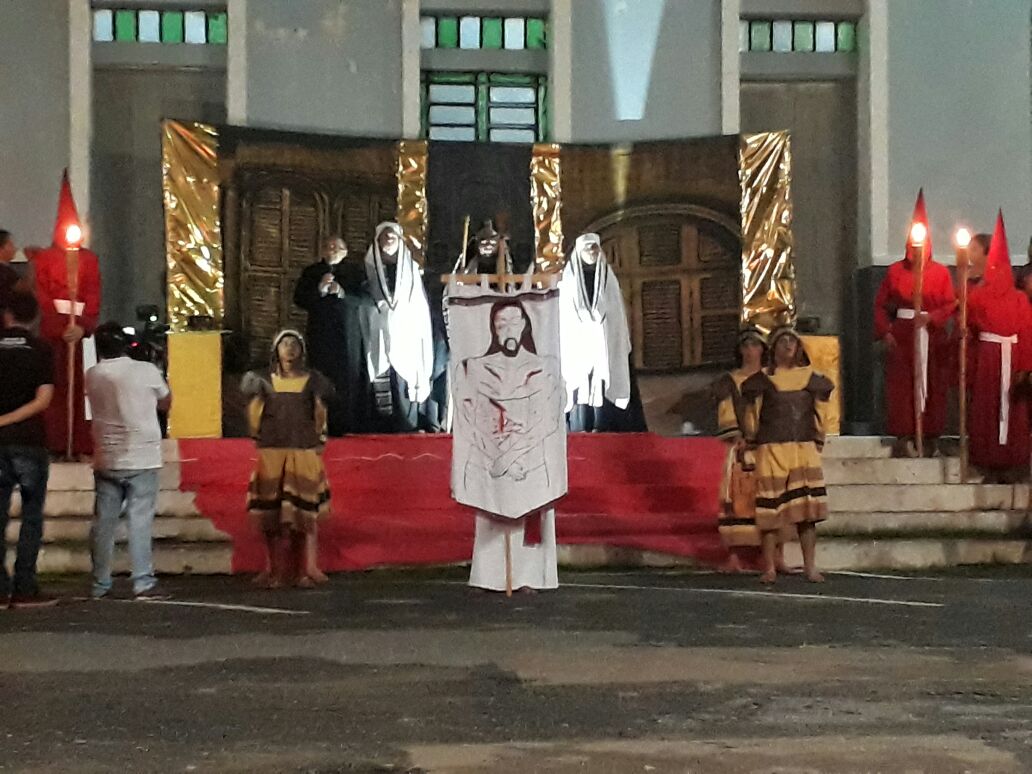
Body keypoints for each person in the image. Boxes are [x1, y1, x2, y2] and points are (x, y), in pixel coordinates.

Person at [461, 301, 562, 592]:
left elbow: (549, 417)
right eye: (501, 324)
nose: (508, 329)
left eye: (514, 322)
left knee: (530, 511)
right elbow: (470, 416)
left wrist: (512, 456)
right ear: (493, 328)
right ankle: (490, 576)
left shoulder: (544, 366)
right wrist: (497, 455)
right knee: (492, 511)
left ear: (526, 325)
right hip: (491, 453)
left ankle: (529, 575)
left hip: (529, 456)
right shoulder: (478, 367)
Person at [86, 322, 172, 599]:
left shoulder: (93, 374)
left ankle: (100, 583)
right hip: (142, 455)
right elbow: (166, 401)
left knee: (104, 523)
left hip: (107, 455)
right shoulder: (146, 370)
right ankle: (143, 581)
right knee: (140, 521)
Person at [742, 327, 833, 585]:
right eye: (783, 340)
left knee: (807, 513)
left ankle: (810, 566)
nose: (788, 345)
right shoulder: (761, 381)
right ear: (773, 349)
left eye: (792, 340)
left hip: (802, 449)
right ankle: (770, 567)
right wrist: (752, 441)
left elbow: (821, 411)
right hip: (771, 449)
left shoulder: (811, 378)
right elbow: (752, 415)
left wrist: (818, 438)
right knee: (770, 513)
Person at [242, 330, 333, 588]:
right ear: (276, 350)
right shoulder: (262, 381)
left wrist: (319, 440)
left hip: (303, 451)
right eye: (285, 344)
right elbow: (254, 413)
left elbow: (320, 412)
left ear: (302, 350)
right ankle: (273, 569)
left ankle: (307, 569)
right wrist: (258, 437)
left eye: (294, 344)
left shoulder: (313, 381)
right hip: (272, 451)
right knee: (271, 515)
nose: (290, 348)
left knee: (304, 515)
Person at [874, 190, 956, 457]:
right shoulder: (896, 271)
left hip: (931, 337)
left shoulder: (940, 273)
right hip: (903, 337)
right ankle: (905, 433)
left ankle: (930, 435)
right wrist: (885, 331)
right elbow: (880, 304)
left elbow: (950, 304)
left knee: (932, 385)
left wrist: (932, 318)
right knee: (902, 387)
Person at [30, 173, 102, 457]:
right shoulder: (45, 259)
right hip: (55, 330)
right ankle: (56, 441)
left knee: (79, 387)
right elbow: (43, 295)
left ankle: (79, 440)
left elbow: (93, 294)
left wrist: (83, 326)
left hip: (78, 330)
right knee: (54, 384)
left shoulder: (89, 259)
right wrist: (59, 325)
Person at [966, 212, 1032, 481]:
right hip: (988, 360)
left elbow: (1026, 331)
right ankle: (987, 461)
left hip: (1010, 358)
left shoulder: (1018, 299)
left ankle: (1012, 462)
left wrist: (1025, 367)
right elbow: (970, 325)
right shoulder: (978, 295)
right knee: (988, 410)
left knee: (1012, 412)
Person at [0, 292, 56, 608]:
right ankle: (25, 585)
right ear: (34, 317)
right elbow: (43, 400)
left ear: (7, 314)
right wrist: (9, 419)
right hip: (29, 440)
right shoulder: (41, 349)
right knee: (31, 515)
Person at [559, 233, 646, 432]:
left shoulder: (609, 281)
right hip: (579, 347)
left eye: (594, 247)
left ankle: (606, 423)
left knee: (605, 383)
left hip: (605, 346)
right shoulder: (568, 283)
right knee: (580, 387)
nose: (591, 252)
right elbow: (565, 319)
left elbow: (617, 319)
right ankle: (581, 424)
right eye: (587, 248)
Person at [359, 222, 434, 432]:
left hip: (405, 329)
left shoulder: (410, 268)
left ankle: (407, 423)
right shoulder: (367, 267)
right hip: (376, 328)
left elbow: (417, 301)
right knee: (381, 374)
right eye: (385, 237)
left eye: (393, 237)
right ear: (377, 241)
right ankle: (381, 425)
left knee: (404, 378)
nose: (389, 240)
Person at [293, 235, 366, 435]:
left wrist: (342, 293)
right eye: (328, 246)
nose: (332, 249)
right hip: (320, 333)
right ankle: (320, 422)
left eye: (337, 246)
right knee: (319, 377)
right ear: (323, 251)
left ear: (345, 251)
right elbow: (299, 299)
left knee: (347, 378)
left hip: (347, 333)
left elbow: (364, 298)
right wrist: (319, 290)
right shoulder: (312, 272)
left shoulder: (355, 272)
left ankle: (346, 424)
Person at [711, 327, 766, 572]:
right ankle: (734, 556)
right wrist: (737, 436)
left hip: (769, 447)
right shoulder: (730, 381)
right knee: (736, 500)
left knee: (771, 498)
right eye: (745, 345)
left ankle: (773, 554)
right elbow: (726, 411)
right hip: (742, 446)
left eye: (755, 345)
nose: (750, 350)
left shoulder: (772, 378)